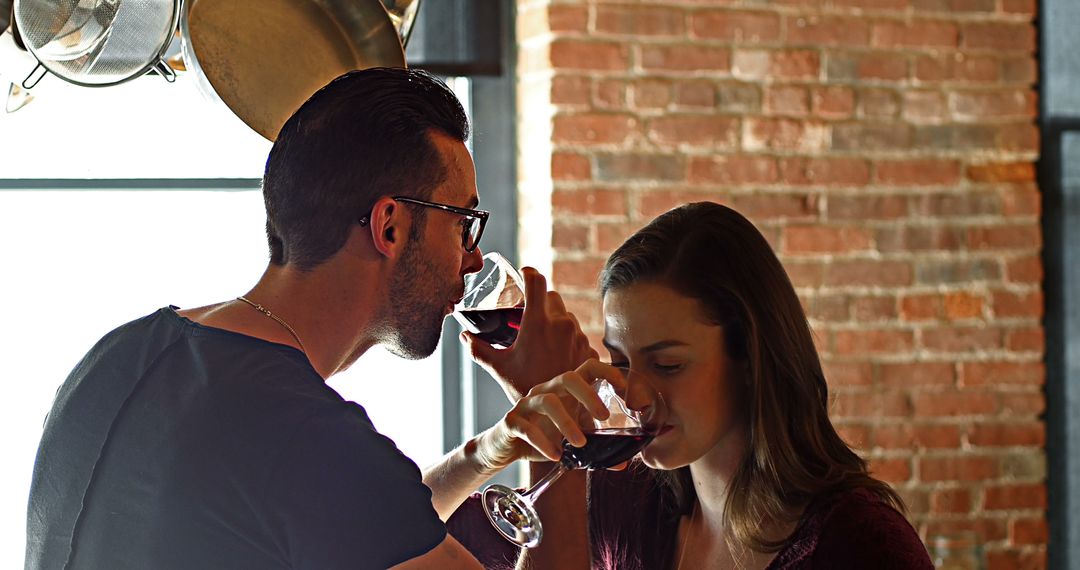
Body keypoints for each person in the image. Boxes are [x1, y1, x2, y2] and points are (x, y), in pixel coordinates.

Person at [24, 67, 597, 570]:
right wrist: (573, 442)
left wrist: (491, 449)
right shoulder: (307, 435)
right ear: (389, 226)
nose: (472, 259)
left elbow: (356, 522)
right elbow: (337, 491)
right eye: (463, 222)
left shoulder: (119, 353)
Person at [447, 202, 934, 569]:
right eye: (620, 361)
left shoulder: (862, 545)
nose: (634, 396)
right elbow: (403, 532)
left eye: (668, 365)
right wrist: (509, 440)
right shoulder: (620, 501)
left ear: (750, 357)